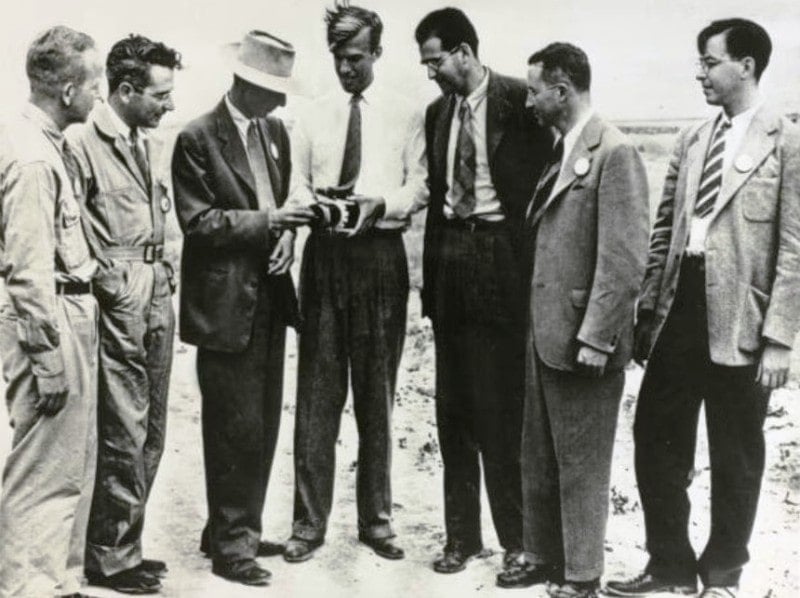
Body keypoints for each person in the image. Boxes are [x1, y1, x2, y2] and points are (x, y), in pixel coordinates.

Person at [606, 18, 800, 598]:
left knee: (737, 452)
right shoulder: (693, 140)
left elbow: (795, 247)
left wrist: (780, 338)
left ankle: (722, 575)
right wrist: (647, 313)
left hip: (743, 318)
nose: (700, 73)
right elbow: (665, 230)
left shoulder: (787, 143)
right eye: (699, 62)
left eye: (710, 61)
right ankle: (668, 566)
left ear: (746, 65)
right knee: (656, 439)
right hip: (678, 308)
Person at [498, 43, 649, 598]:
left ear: (562, 91)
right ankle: (541, 555)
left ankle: (581, 575)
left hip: (583, 339)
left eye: (535, 90)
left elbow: (624, 260)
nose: (530, 100)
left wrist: (596, 336)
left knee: (582, 463)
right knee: (539, 452)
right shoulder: (563, 149)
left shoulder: (615, 152)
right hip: (547, 333)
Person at [283, 1, 427, 563]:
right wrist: (313, 211)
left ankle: (377, 520)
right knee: (318, 394)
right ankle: (307, 523)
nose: (348, 68)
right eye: (339, 58)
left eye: (357, 57)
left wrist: (380, 204)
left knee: (377, 395)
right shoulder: (312, 114)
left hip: (381, 259)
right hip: (325, 259)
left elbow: (419, 186)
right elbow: (294, 184)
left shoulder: (406, 112)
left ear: (377, 53)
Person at [171, 30, 313, 586]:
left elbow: (275, 206)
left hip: (269, 304)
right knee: (233, 426)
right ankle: (232, 549)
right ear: (247, 84)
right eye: (273, 90)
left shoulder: (274, 131)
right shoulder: (197, 138)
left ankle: (234, 527)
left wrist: (286, 240)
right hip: (224, 309)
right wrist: (270, 225)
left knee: (262, 422)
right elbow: (199, 223)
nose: (281, 102)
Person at [414, 7, 552, 576]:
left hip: (502, 264)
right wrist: (431, 284)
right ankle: (461, 537)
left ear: (464, 53)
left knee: (501, 410)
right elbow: (440, 204)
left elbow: (544, 193)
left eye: (435, 61)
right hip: (451, 267)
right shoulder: (435, 114)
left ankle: (518, 541)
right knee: (453, 410)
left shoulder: (522, 103)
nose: (431, 73)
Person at [68, 34, 182, 595]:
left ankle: (127, 543)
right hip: (121, 293)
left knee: (153, 425)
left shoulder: (148, 141)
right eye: (160, 94)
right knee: (123, 425)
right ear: (127, 90)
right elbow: (70, 225)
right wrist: (105, 280)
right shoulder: (82, 143)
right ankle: (109, 556)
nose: (169, 105)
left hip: (157, 286)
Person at [0, 25, 105, 598]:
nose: (100, 96)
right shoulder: (34, 158)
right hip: (49, 317)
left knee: (68, 463)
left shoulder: (39, 143)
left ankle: (59, 583)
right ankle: (27, 588)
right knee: (42, 466)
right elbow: (29, 269)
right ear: (67, 91)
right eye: (94, 84)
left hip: (65, 309)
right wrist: (47, 359)